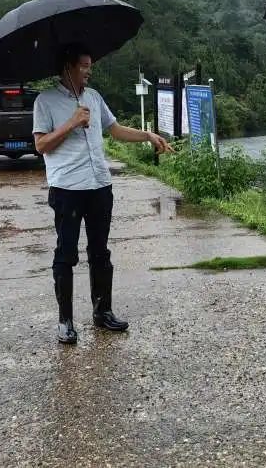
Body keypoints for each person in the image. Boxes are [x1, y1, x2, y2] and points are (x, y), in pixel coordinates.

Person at [33, 43, 173, 344]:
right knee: (66, 255)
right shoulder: (45, 101)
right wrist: (70, 123)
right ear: (68, 67)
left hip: (99, 185)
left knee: (100, 252)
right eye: (84, 66)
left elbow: (116, 129)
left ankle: (103, 312)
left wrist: (147, 135)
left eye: (89, 66)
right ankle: (65, 321)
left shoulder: (93, 98)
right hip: (67, 188)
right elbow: (41, 145)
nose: (89, 71)